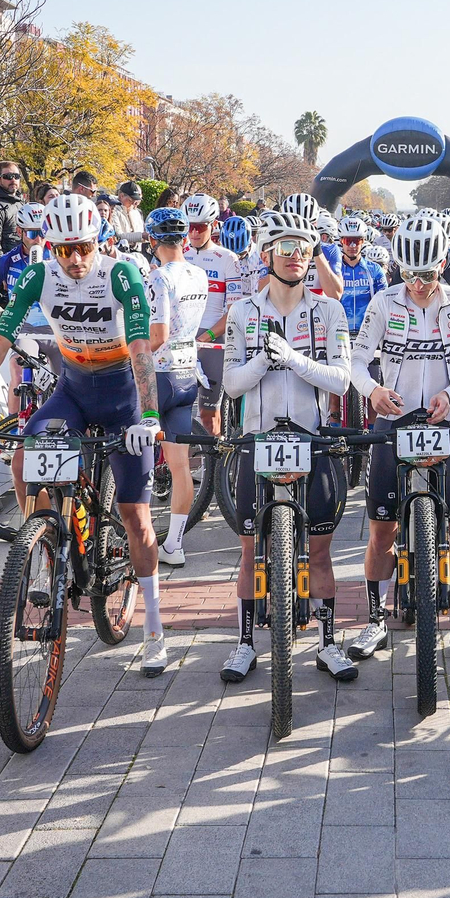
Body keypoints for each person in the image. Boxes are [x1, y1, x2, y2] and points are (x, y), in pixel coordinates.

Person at [0, 194, 175, 677]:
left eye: (84, 248)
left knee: (136, 518)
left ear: (99, 241)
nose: (74, 260)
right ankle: (43, 550)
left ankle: (154, 628)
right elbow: (0, 340)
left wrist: (150, 415)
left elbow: (140, 345)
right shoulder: (37, 276)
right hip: (72, 390)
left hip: (122, 396)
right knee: (22, 460)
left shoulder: (120, 274)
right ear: (49, 246)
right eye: (63, 249)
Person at [217, 209, 359, 683]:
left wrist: (294, 358)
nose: (295, 256)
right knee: (249, 551)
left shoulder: (330, 311)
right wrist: (263, 360)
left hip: (310, 437)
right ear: (266, 254)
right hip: (257, 441)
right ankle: (243, 644)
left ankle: (328, 641)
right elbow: (232, 385)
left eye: (303, 248)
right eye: (285, 247)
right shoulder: (242, 312)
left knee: (319, 553)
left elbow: (340, 380)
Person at [345, 215, 450, 664]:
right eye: (410, 275)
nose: (419, 285)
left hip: (447, 419)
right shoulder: (384, 302)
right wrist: (374, 391)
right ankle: (374, 621)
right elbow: (356, 361)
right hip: (396, 420)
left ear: (443, 263)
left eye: (427, 275)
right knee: (381, 531)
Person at [142, 207, 208, 569]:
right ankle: (175, 543)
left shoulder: (159, 278)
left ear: (153, 240)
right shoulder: (198, 274)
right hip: (187, 374)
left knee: (132, 456)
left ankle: (136, 535)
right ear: (183, 239)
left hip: (158, 375)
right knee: (180, 466)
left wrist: (123, 356)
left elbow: (157, 335)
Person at [182, 194, 245, 438]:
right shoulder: (180, 255)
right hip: (182, 339)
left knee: (209, 413)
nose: (194, 232)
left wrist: (208, 336)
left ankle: (213, 470)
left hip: (213, 339)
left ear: (213, 225)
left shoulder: (228, 259)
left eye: (200, 227)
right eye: (189, 226)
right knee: (179, 410)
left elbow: (234, 310)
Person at [0, 202, 48, 333]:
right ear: (19, 231)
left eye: (43, 232)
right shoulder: (8, 261)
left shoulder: (60, 256)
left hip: (56, 332)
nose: (39, 240)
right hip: (23, 332)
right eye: (32, 234)